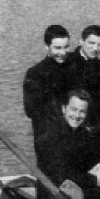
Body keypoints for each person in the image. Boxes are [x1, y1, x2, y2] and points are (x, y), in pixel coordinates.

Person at [23, 25, 72, 153]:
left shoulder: (75, 67)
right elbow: (31, 111)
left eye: (66, 47)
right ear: (47, 47)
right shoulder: (35, 74)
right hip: (48, 140)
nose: (63, 52)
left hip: (74, 136)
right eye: (57, 48)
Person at [66, 25, 100, 150]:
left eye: (99, 45)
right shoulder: (66, 63)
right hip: (67, 128)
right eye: (91, 43)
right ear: (81, 41)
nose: (95, 48)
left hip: (92, 131)